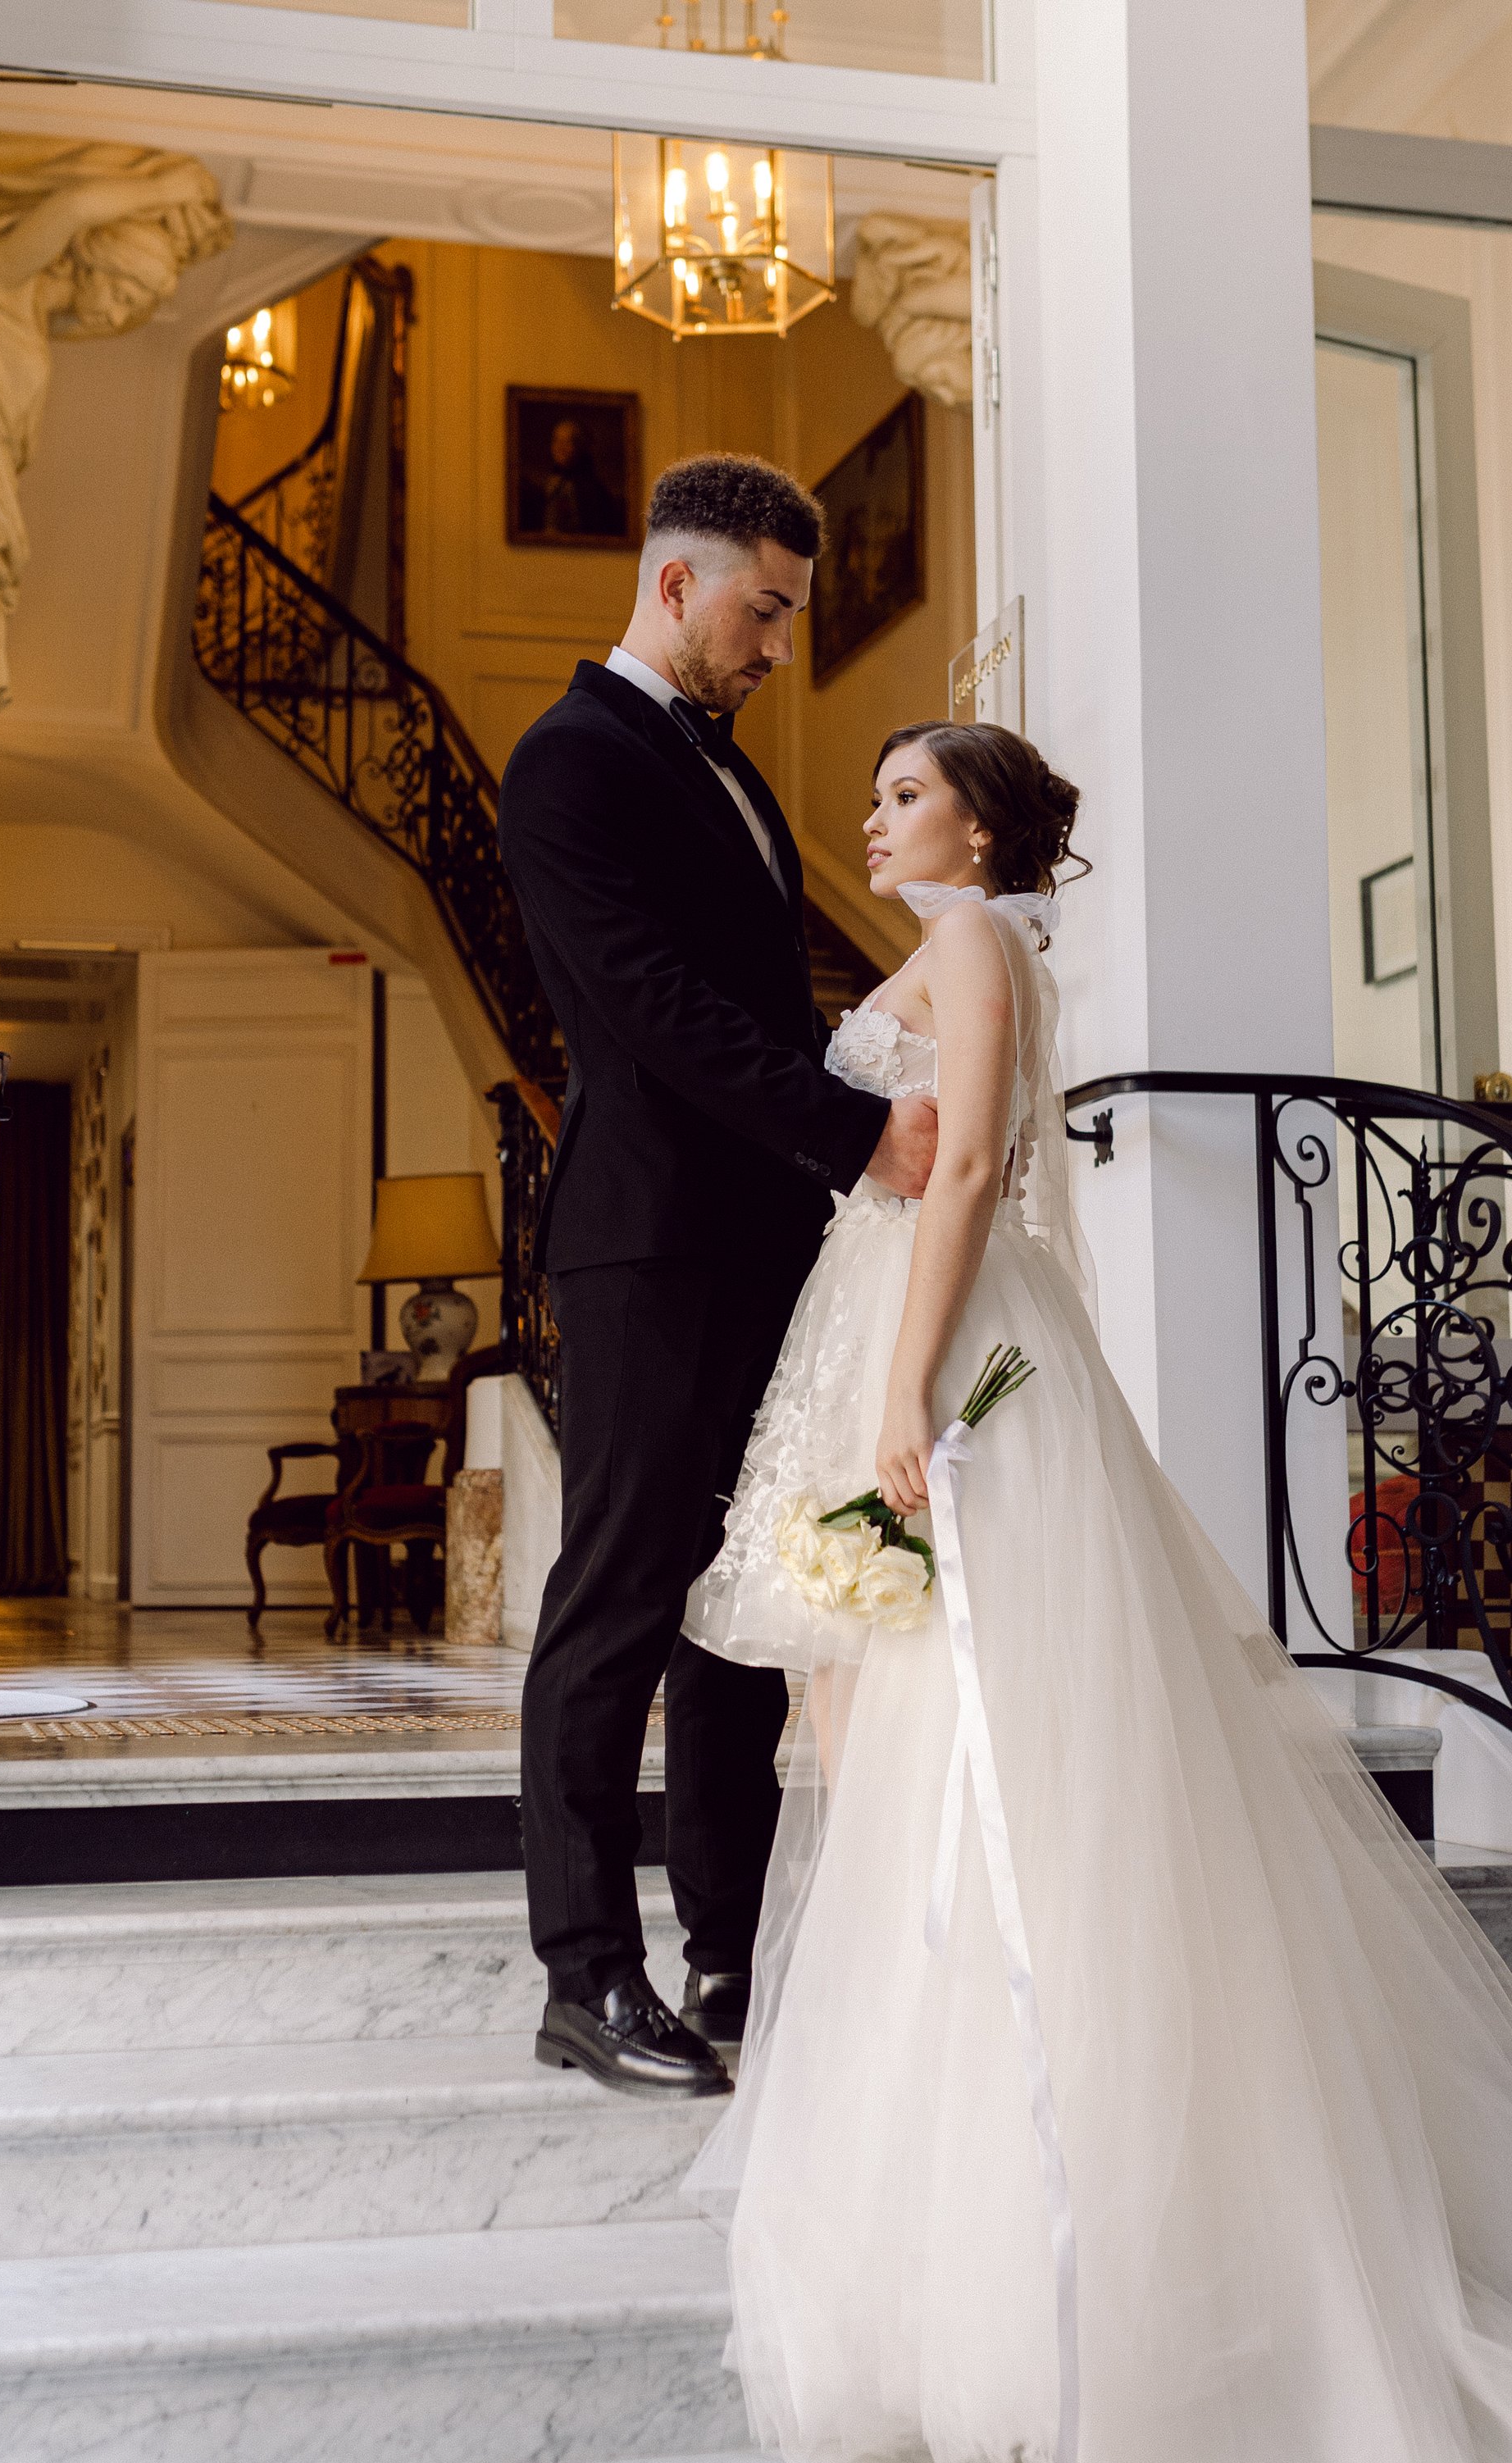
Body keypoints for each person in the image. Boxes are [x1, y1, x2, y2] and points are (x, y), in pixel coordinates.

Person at [682, 721, 1512, 2463]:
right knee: (923, 1759)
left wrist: (906, 1393)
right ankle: (957, 2250)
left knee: (993, 1780)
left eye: (902, 790)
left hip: (953, 1361)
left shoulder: (970, 947)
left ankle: (1066, 2264)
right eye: (871, 794)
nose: (871, 815)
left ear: (983, 818)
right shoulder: (962, 948)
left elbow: (957, 1183)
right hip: (931, 1335)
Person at [499, 454, 939, 2100]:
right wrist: (859, 1132)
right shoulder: (570, 762)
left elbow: (765, 1004)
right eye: (760, 613)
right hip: (648, 1245)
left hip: (764, 1243)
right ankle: (584, 1976)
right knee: (615, 1601)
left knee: (742, 1612)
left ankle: (731, 1953)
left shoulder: (726, 771)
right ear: (672, 583)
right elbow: (647, 1011)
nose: (773, 649)